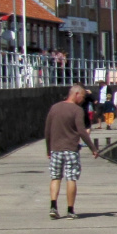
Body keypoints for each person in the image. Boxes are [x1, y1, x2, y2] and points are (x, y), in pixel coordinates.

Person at [44, 85, 100, 220]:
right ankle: (70, 210)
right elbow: (81, 131)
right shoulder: (77, 110)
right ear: (76, 94)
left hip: (56, 149)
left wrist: (48, 149)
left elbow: (47, 130)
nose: (83, 100)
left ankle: (53, 207)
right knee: (71, 178)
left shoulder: (54, 108)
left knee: (55, 177)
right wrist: (93, 148)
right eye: (82, 97)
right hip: (71, 150)